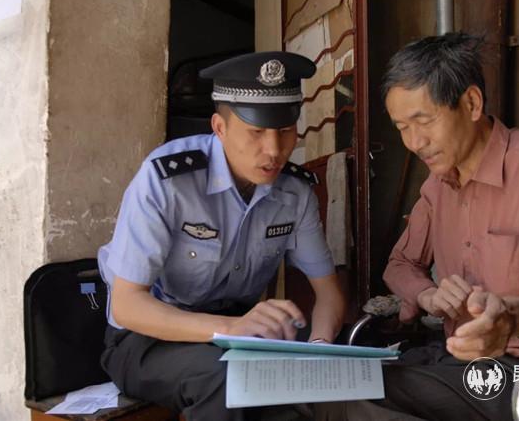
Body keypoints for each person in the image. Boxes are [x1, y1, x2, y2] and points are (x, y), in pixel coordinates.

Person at [317, 33, 519, 421]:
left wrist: (509, 318)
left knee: (359, 395)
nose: (414, 142)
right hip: (458, 364)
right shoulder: (437, 186)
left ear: (472, 103)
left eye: (423, 121)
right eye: (402, 127)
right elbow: (401, 264)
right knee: (332, 383)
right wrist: (428, 296)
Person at [98, 51, 346, 421]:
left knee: (330, 371)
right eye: (256, 133)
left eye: (284, 131)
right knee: (230, 380)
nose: (274, 150)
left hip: (240, 332)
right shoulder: (167, 180)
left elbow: (328, 293)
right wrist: (230, 328)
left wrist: (319, 350)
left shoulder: (295, 193)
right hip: (148, 338)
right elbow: (127, 305)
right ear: (219, 127)